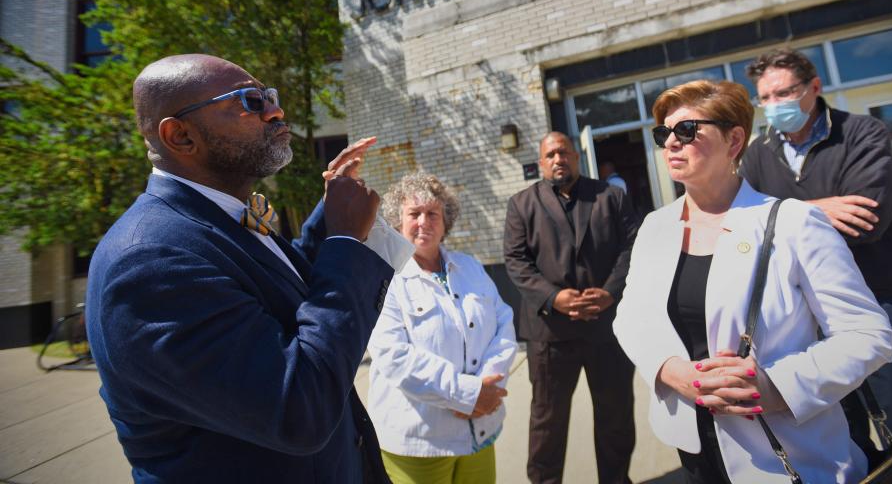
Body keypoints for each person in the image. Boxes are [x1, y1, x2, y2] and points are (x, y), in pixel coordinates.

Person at [85, 54, 397, 483]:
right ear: (181, 136)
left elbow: (283, 299)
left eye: (270, 96)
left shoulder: (215, 218)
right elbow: (297, 409)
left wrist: (328, 215)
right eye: (250, 101)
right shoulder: (150, 262)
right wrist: (343, 243)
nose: (276, 111)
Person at [613, 79, 892, 483]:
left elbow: (867, 333)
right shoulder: (656, 227)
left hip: (790, 452)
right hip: (694, 447)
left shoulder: (795, 222)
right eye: (664, 133)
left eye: (687, 130)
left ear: (734, 140)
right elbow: (631, 318)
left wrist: (774, 386)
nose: (671, 142)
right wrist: (674, 373)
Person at [740, 48, 892, 483]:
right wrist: (817, 207)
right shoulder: (758, 154)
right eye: (765, 97)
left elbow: (868, 218)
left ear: (814, 88)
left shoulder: (862, 132)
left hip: (882, 299)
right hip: (808, 316)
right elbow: (747, 226)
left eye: (785, 92)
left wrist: (779, 215)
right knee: (846, 438)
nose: (775, 105)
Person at [503, 132, 640, 484]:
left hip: (606, 329)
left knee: (616, 419)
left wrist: (610, 292)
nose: (557, 159)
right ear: (541, 161)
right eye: (550, 155)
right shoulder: (522, 204)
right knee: (548, 423)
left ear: (577, 156)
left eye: (563, 152)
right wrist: (552, 297)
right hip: (551, 334)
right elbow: (516, 261)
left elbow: (631, 248)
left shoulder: (611, 197)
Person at [367, 171, 518, 484]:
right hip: (420, 443)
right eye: (414, 214)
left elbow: (503, 323)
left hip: (480, 430)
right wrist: (469, 394)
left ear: (445, 220)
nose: (424, 222)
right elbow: (393, 356)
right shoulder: (383, 277)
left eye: (433, 213)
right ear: (398, 221)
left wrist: (488, 386)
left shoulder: (470, 267)